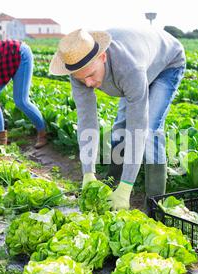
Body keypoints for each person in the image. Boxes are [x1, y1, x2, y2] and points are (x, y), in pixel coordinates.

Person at [49, 28, 186, 210]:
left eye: (91, 75)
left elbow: (138, 129)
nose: (88, 83)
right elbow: (86, 120)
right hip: (137, 62)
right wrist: (88, 172)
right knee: (120, 125)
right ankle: (112, 184)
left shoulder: (129, 68)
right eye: (82, 79)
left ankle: (155, 204)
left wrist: (127, 186)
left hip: (167, 63)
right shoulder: (78, 72)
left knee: (150, 129)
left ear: (103, 57)